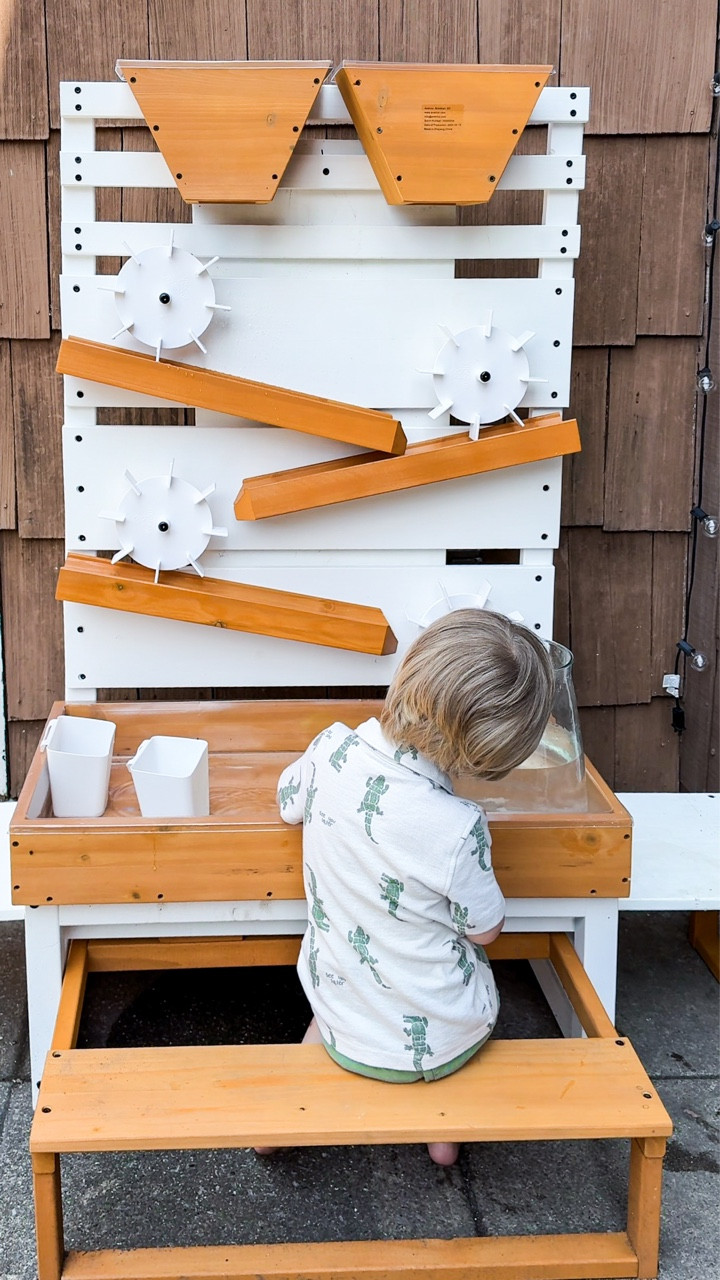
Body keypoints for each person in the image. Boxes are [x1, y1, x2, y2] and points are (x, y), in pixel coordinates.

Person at [261, 608, 554, 1165]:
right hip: (440, 1030)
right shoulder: (458, 825)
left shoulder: (330, 749)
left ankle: (282, 1117)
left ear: (413, 667)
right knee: (460, 995)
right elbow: (485, 930)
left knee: (333, 998)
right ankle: (442, 1129)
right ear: (492, 749)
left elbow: (286, 802)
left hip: (339, 1003)